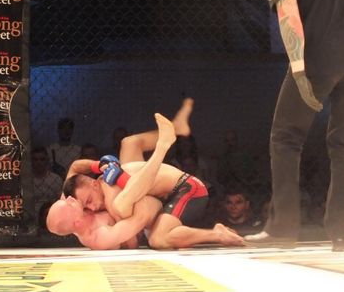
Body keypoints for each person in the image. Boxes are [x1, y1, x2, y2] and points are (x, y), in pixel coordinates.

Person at [244, 0, 344, 252]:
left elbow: (289, 16)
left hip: (319, 58)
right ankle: (342, 234)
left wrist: (299, 71)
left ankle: (283, 229)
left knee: (285, 139)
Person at [48, 99, 244, 249]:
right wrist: (133, 222)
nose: (91, 207)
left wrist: (100, 166)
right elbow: (131, 239)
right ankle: (215, 233)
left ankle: (171, 136)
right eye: (86, 206)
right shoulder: (78, 213)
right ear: (76, 220)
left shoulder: (72, 200)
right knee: (130, 210)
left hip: (186, 189)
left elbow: (75, 167)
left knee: (128, 147)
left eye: (89, 200)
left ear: (93, 184)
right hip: (153, 202)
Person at [31, 146, 64, 220]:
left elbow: (60, 201)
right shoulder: (27, 180)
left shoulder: (56, 179)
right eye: (35, 159)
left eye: (42, 159)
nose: (39, 162)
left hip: (52, 215)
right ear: (31, 161)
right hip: (32, 216)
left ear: (47, 161)